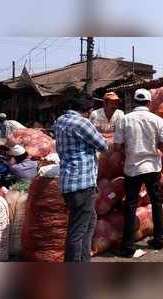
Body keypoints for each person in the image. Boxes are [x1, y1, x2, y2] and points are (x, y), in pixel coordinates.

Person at [114, 88, 163, 257]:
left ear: (134, 102)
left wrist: (128, 152)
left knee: (131, 205)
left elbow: (116, 146)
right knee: (156, 202)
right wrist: (154, 149)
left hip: (132, 167)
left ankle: (128, 246)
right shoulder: (158, 120)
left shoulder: (125, 119)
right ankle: (158, 239)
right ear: (149, 102)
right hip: (152, 167)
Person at [55, 97, 108, 263]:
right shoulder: (82, 123)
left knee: (89, 222)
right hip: (82, 184)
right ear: (89, 110)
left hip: (68, 183)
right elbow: (103, 146)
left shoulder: (60, 121)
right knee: (77, 231)